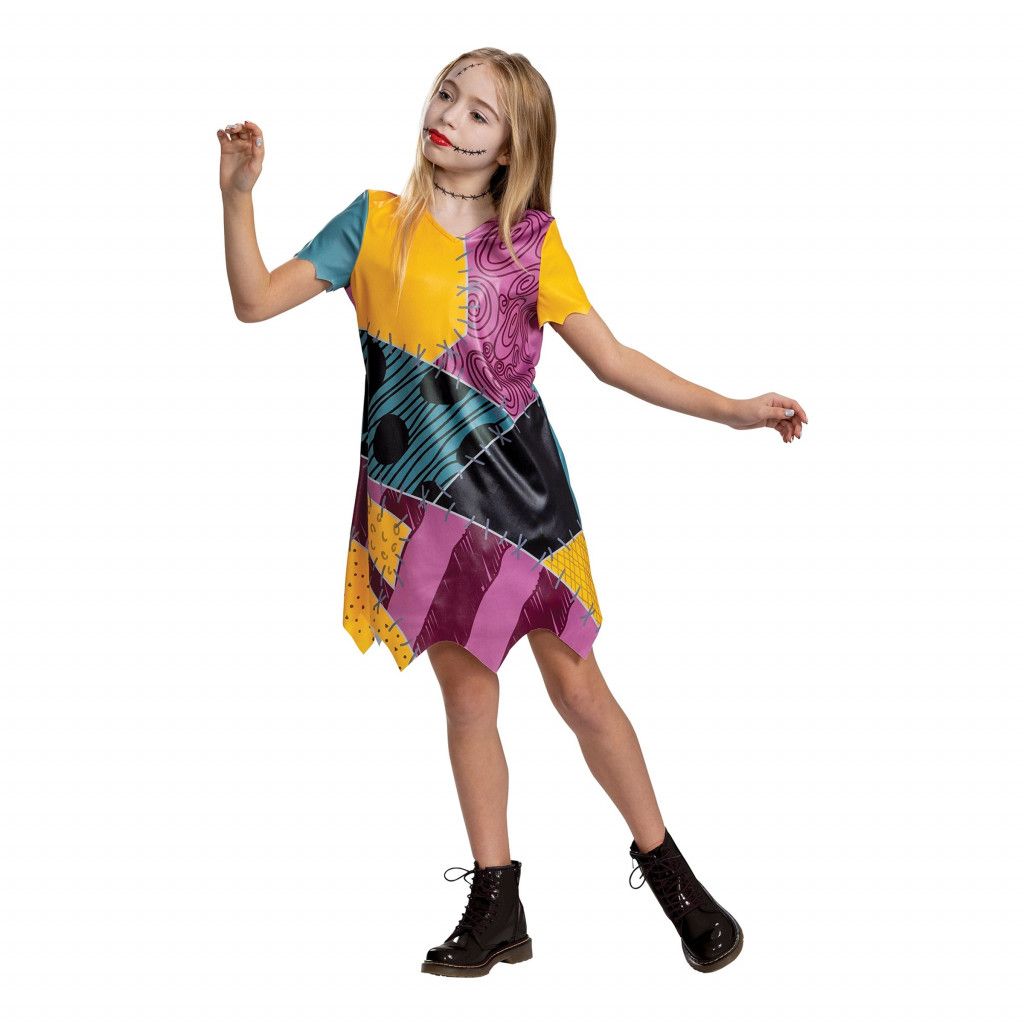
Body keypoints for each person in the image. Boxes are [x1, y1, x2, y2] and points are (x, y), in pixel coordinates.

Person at [218, 47, 807, 978]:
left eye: (478, 113)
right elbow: (254, 302)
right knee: (468, 700)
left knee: (580, 690)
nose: (448, 114)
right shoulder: (373, 223)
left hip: (525, 500)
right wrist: (238, 195)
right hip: (422, 503)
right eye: (446, 93)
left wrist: (733, 409)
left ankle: (672, 875)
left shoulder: (529, 242)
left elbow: (613, 361)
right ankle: (497, 904)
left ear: (510, 149)